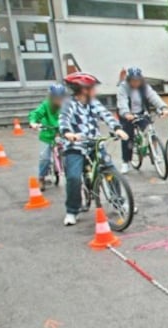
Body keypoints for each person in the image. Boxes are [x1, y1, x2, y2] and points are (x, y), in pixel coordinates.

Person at [59, 72, 128, 226]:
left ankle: (118, 202)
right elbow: (63, 120)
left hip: (94, 143)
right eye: (92, 87)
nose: (95, 90)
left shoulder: (93, 102)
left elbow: (106, 115)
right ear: (83, 89)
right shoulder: (69, 103)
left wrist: (117, 128)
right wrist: (68, 133)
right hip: (75, 146)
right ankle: (72, 210)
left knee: (111, 171)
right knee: (74, 177)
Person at [116, 66, 168, 174]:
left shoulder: (144, 86)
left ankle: (155, 154)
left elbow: (153, 96)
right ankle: (126, 162)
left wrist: (163, 107)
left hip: (140, 112)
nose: (136, 83)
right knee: (127, 137)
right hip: (127, 114)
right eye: (133, 80)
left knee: (150, 131)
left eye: (138, 80)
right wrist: (126, 113)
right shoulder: (123, 87)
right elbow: (122, 101)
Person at [29, 83, 67, 190]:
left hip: (62, 133)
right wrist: (33, 122)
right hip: (47, 133)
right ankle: (41, 178)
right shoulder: (46, 105)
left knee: (69, 153)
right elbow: (35, 114)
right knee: (45, 158)